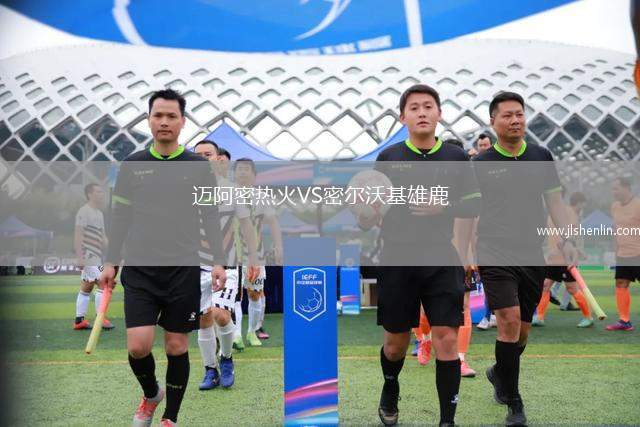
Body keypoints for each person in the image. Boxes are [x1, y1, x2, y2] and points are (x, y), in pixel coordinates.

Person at [99, 89, 227, 427]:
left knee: (176, 346)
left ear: (183, 122)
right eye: (158, 115)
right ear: (148, 120)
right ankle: (152, 393)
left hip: (183, 269)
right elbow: (119, 217)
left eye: (172, 116)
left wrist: (218, 260)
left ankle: (170, 418)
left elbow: (210, 215)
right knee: (138, 347)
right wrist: (110, 261)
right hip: (140, 270)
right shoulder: (132, 165)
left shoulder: (199, 167)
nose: (164, 121)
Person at [358, 84, 481, 426]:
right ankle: (390, 387)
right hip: (397, 259)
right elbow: (370, 210)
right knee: (395, 344)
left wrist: (444, 206)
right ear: (403, 117)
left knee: (447, 339)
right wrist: (364, 213)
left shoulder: (456, 157)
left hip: (442, 259)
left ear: (439, 113)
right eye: (414, 108)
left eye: (428, 106)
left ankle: (447, 420)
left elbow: (474, 204)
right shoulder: (389, 158)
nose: (422, 112)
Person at [473, 91, 578, 426]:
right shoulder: (480, 164)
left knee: (521, 334)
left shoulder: (540, 156)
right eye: (507, 115)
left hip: (532, 252)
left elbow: (555, 203)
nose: (515, 120)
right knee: (508, 319)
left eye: (519, 114)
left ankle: (498, 372)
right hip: (494, 251)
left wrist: (568, 238)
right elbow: (471, 212)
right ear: (493, 121)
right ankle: (514, 403)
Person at [193, 140, 259, 390]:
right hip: (195, 264)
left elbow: (247, 227)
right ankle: (210, 369)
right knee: (204, 318)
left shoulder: (232, 190)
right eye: (198, 155)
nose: (203, 159)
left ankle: (227, 358)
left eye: (207, 154)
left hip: (228, 264)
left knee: (220, 314)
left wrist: (254, 257)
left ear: (218, 158)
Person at [232, 158, 283, 347]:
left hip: (256, 254)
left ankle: (252, 332)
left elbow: (273, 223)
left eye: (246, 169)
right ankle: (236, 335)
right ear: (234, 173)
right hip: (232, 254)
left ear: (254, 175)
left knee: (255, 294)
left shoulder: (261, 196)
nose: (242, 172)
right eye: (239, 169)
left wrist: (278, 247)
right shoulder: (227, 194)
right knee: (235, 295)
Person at [533, 192, 593, 328]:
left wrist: (575, 253)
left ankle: (588, 317)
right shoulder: (551, 214)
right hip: (554, 259)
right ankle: (539, 317)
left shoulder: (567, 212)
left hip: (565, 259)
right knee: (545, 286)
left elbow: (572, 236)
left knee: (572, 289)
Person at [73, 183, 114, 330]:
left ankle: (79, 321)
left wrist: (114, 251)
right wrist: (80, 257)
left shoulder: (99, 213)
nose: (101, 194)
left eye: (102, 192)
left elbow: (103, 237)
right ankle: (100, 319)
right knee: (104, 283)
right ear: (89, 194)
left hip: (96, 256)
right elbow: (78, 235)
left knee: (87, 287)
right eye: (98, 192)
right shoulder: (84, 211)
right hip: (88, 255)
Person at [606, 177, 640, 331]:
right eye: (612, 189)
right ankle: (624, 321)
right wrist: (616, 251)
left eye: (616, 188)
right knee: (621, 283)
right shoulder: (614, 206)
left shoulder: (638, 205)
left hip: (638, 253)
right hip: (623, 254)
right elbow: (616, 229)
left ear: (626, 187)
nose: (613, 192)